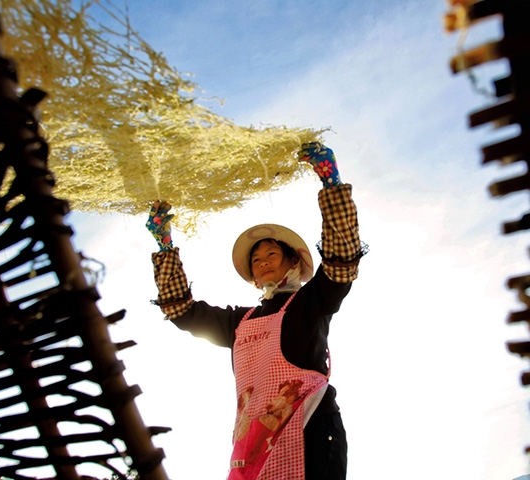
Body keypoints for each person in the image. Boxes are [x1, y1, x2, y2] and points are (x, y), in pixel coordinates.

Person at [146, 143, 366, 480]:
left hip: (310, 427)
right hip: (253, 442)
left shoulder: (311, 303)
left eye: (271, 254)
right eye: (256, 259)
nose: (262, 261)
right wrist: (165, 245)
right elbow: (182, 311)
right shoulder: (239, 321)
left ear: (293, 261)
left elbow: (341, 263)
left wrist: (331, 184)